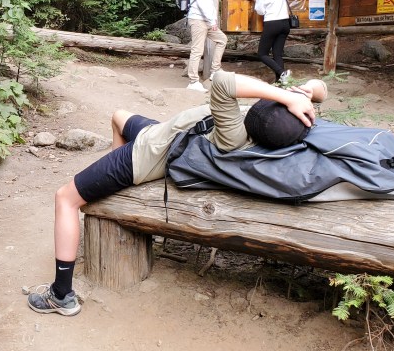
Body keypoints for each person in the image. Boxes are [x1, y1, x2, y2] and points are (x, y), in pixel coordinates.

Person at [27, 70, 327, 316]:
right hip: (168, 133)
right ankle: (110, 190)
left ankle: (61, 295)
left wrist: (286, 96)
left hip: (149, 154)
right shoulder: (276, 132)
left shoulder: (234, 132)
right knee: (118, 116)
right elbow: (322, 88)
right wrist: (306, 92)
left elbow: (222, 81)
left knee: (65, 198)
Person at [184, 0, 227, 92]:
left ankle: (215, 70)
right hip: (198, 19)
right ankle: (193, 81)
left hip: (205, 19)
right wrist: (211, 20)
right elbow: (202, 1)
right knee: (197, 50)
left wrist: (211, 19)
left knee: (222, 39)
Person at [250, 0, 292, 84]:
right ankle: (280, 82)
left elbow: (260, 11)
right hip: (285, 23)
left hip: (272, 24)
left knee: (262, 54)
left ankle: (282, 73)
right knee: (277, 54)